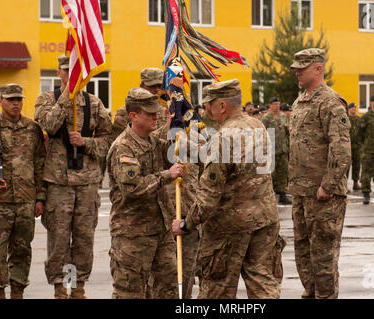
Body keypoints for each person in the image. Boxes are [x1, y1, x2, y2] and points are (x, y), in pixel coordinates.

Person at [172, 79, 284, 299]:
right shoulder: (257, 126)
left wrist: (187, 224)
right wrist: (194, 148)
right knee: (263, 286)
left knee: (217, 290)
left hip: (230, 227)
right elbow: (238, 163)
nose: (206, 110)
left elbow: (208, 197)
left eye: (210, 104)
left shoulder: (223, 137)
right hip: (264, 220)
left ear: (222, 106)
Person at [34, 55, 113, 299]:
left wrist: (86, 142)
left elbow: (109, 141)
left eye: (78, 71)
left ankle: (77, 288)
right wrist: (67, 97)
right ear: (59, 73)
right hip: (58, 183)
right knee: (58, 240)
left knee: (83, 239)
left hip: (87, 183)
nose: (73, 75)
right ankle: (61, 288)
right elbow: (48, 124)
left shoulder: (95, 103)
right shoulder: (47, 99)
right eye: (68, 71)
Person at [107, 88, 185, 299]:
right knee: (130, 293)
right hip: (132, 235)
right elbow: (132, 189)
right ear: (133, 116)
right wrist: (166, 175)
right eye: (149, 113)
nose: (155, 116)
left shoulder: (152, 142)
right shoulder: (123, 147)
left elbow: (173, 155)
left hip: (160, 230)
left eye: (156, 112)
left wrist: (173, 129)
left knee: (167, 290)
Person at [288, 48, 351, 299]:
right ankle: (310, 293)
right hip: (301, 192)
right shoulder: (299, 101)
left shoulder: (331, 102)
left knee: (323, 257)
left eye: (302, 68)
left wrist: (329, 185)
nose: (297, 73)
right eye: (296, 69)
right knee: (303, 253)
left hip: (323, 196)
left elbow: (341, 148)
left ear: (318, 68)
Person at [0, 84, 46, 299]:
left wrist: (40, 198)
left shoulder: (32, 128)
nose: (16, 103)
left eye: (19, 99)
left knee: (22, 250)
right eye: (10, 99)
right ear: (0, 101)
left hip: (26, 200)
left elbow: (40, 163)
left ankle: (18, 292)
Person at [111, 67, 168, 142]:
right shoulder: (126, 112)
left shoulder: (167, 109)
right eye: (152, 86)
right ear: (141, 86)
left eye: (160, 86)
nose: (157, 89)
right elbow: (117, 140)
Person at [261, 97, 291, 205]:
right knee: (271, 174)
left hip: (283, 149)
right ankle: (270, 195)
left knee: (283, 172)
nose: (277, 106)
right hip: (271, 151)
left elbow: (287, 132)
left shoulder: (283, 117)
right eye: (275, 104)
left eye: (278, 104)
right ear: (270, 105)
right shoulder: (266, 118)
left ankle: (282, 194)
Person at [347, 102, 362, 191]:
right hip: (348, 146)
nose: (354, 109)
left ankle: (355, 183)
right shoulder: (345, 119)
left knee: (357, 165)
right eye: (352, 108)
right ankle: (344, 185)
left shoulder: (359, 120)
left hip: (357, 146)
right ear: (349, 109)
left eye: (355, 108)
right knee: (346, 166)